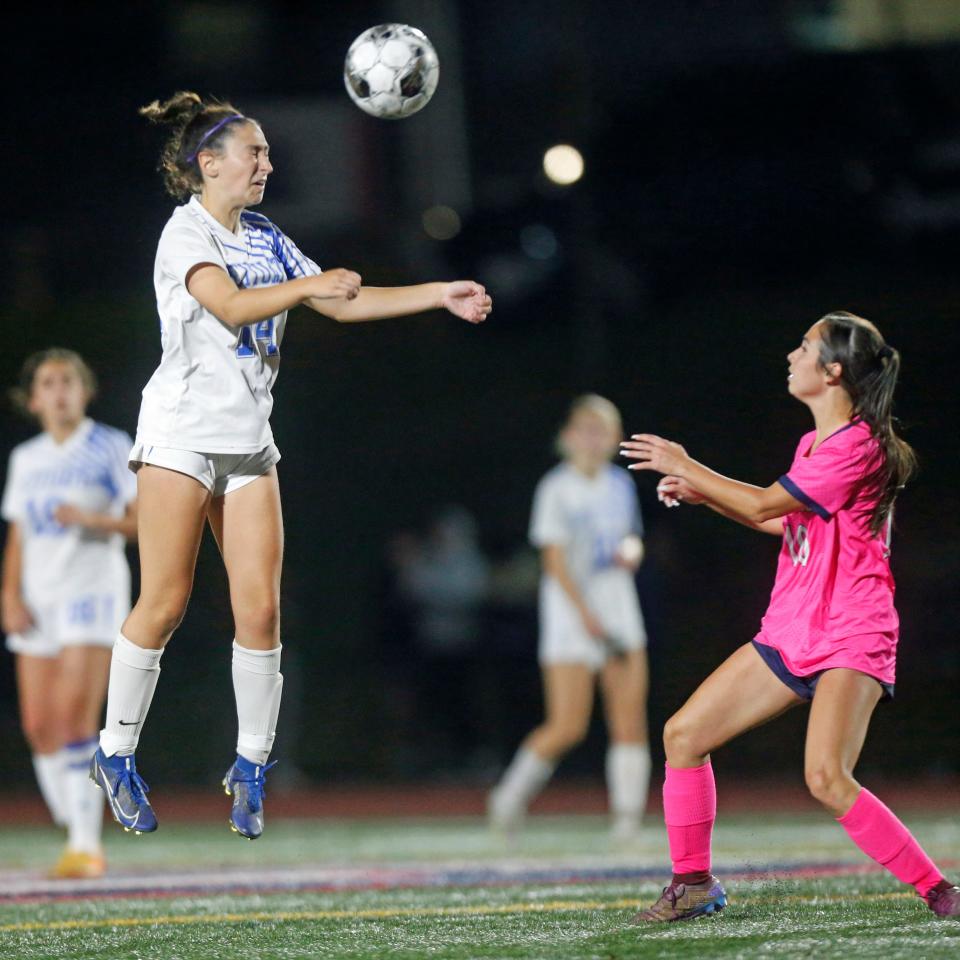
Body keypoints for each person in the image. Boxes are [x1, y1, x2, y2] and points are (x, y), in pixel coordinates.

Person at [88, 91, 492, 840]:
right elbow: (232, 307)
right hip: (180, 433)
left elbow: (342, 301)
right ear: (207, 164)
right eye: (255, 152)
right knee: (167, 601)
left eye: (268, 152)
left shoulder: (268, 235)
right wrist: (311, 285)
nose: (267, 164)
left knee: (263, 610)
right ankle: (115, 753)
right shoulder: (185, 233)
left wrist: (441, 293)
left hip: (247, 438)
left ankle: (250, 765)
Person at [620, 311, 960, 922]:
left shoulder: (857, 445)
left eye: (803, 347)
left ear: (832, 372)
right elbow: (777, 521)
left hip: (852, 630)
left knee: (826, 776)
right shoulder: (815, 443)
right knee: (684, 736)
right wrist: (705, 495)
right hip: (796, 626)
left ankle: (940, 891)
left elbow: (761, 501)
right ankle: (693, 884)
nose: (791, 355)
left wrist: (687, 463)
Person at [488, 395, 650, 842]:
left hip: (619, 609)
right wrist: (586, 616)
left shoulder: (621, 484)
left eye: (602, 430)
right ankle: (508, 797)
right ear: (568, 436)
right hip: (570, 615)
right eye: (585, 428)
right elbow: (554, 561)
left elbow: (631, 540)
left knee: (629, 718)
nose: (592, 438)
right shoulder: (555, 487)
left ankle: (628, 820)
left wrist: (632, 553)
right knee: (567, 725)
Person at [2, 349, 137, 878]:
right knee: (39, 727)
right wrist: (9, 595)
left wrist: (92, 519)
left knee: (72, 718)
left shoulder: (110, 446)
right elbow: (18, 535)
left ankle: (86, 845)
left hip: (93, 592)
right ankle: (74, 823)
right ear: (33, 400)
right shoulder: (26, 458)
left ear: (85, 391)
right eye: (48, 383)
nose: (58, 391)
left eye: (67, 382)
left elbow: (143, 524)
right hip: (39, 599)